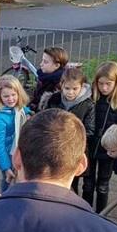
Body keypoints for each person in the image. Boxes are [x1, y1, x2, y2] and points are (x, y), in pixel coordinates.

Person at [84, 61, 117, 212]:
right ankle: (85, 211)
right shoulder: (91, 96)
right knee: (88, 183)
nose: (104, 88)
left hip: (109, 150)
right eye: (101, 84)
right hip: (90, 146)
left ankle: (101, 214)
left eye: (108, 84)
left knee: (102, 185)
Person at [46, 66, 96, 195]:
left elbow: (90, 130)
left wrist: (70, 136)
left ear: (82, 87)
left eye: (75, 89)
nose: (70, 92)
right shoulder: (54, 100)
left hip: (75, 149)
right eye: (67, 88)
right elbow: (45, 120)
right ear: (61, 85)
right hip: (55, 147)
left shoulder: (88, 105)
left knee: (72, 182)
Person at [28, 46, 68, 112]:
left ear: (57, 65)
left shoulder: (58, 85)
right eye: (42, 60)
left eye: (45, 62)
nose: (41, 64)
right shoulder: (44, 77)